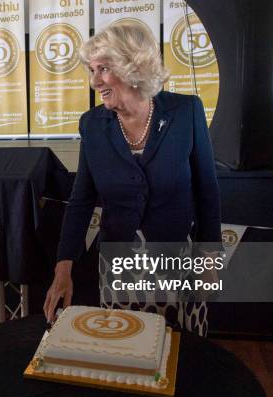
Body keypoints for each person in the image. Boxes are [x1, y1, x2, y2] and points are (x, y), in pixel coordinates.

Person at [43, 21, 222, 336]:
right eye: (92, 70)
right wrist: (64, 263)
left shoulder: (186, 111)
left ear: (133, 66)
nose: (94, 81)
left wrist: (210, 255)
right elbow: (82, 200)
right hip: (119, 261)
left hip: (175, 257)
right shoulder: (93, 125)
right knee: (124, 345)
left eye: (103, 69)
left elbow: (207, 189)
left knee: (180, 355)